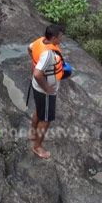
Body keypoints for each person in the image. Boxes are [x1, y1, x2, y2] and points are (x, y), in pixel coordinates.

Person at [27, 24, 68, 159]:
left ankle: (32, 133)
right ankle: (37, 147)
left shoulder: (40, 41)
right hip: (45, 92)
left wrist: (33, 63)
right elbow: (38, 74)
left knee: (39, 111)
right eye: (60, 36)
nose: (62, 38)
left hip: (37, 87)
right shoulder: (48, 54)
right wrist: (47, 88)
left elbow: (29, 48)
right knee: (46, 119)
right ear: (54, 38)